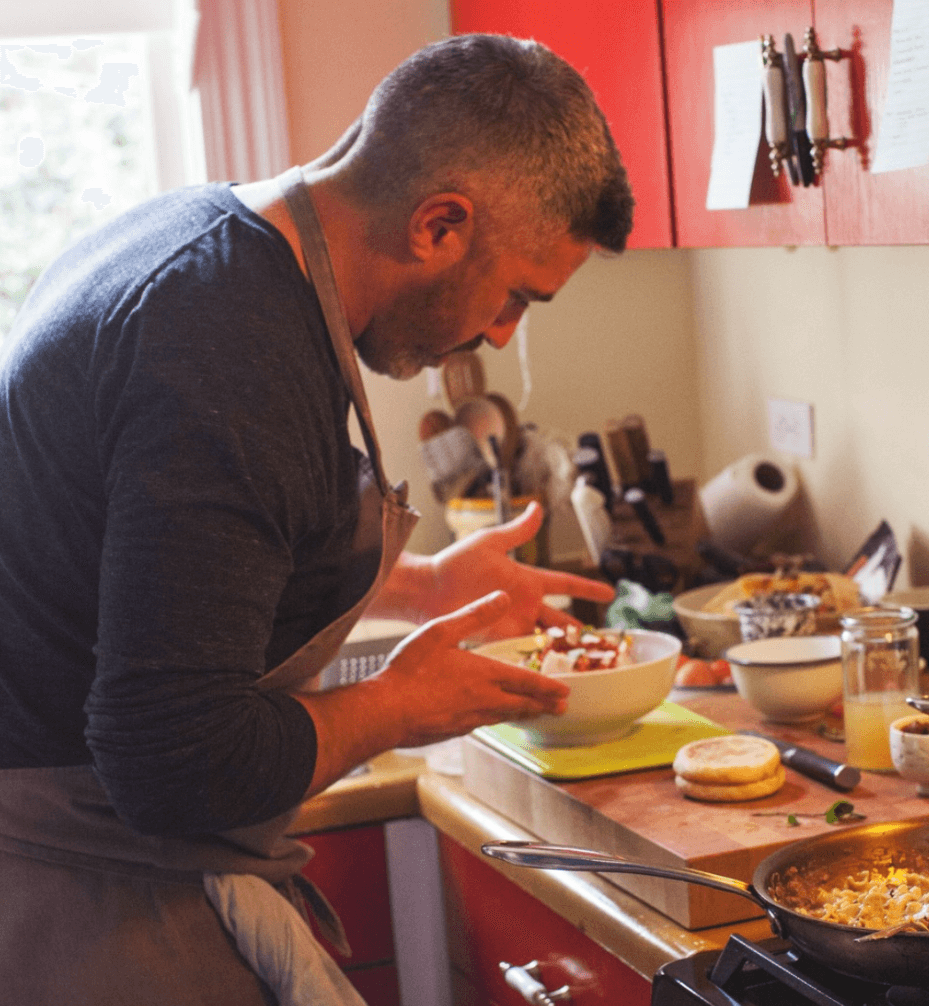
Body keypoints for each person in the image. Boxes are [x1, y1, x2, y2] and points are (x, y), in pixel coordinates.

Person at [0, 33, 633, 1005]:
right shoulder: (227, 356)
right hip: (76, 892)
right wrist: (401, 703)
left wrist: (419, 583)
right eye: (513, 296)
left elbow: (161, 559)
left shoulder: (201, 238)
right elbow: (171, 763)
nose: (501, 335)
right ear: (439, 225)